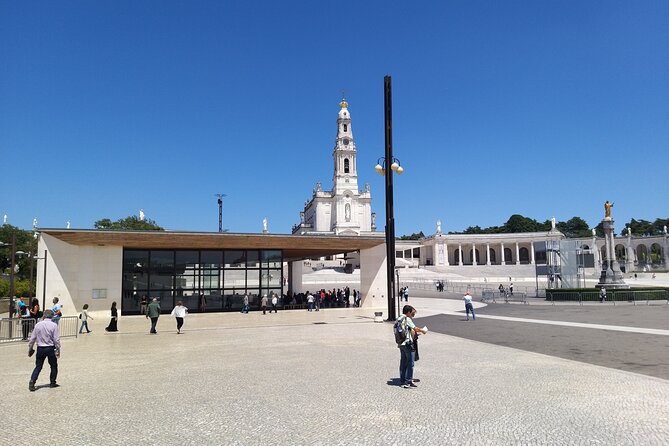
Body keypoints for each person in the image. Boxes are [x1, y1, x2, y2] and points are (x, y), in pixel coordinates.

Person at [28, 309, 61, 391]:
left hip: (40, 348)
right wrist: (58, 349)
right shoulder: (54, 325)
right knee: (53, 365)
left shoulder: (38, 325)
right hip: (50, 348)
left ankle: (32, 381)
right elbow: (56, 339)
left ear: (44, 316)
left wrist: (30, 349)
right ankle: (52, 382)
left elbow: (32, 339)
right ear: (52, 316)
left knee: (38, 366)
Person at [398, 305, 427, 389]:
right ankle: (409, 381)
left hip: (401, 343)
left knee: (403, 362)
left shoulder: (399, 318)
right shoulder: (407, 319)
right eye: (412, 313)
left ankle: (402, 381)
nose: (412, 314)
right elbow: (415, 328)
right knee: (410, 363)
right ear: (408, 312)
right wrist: (423, 330)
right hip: (408, 344)